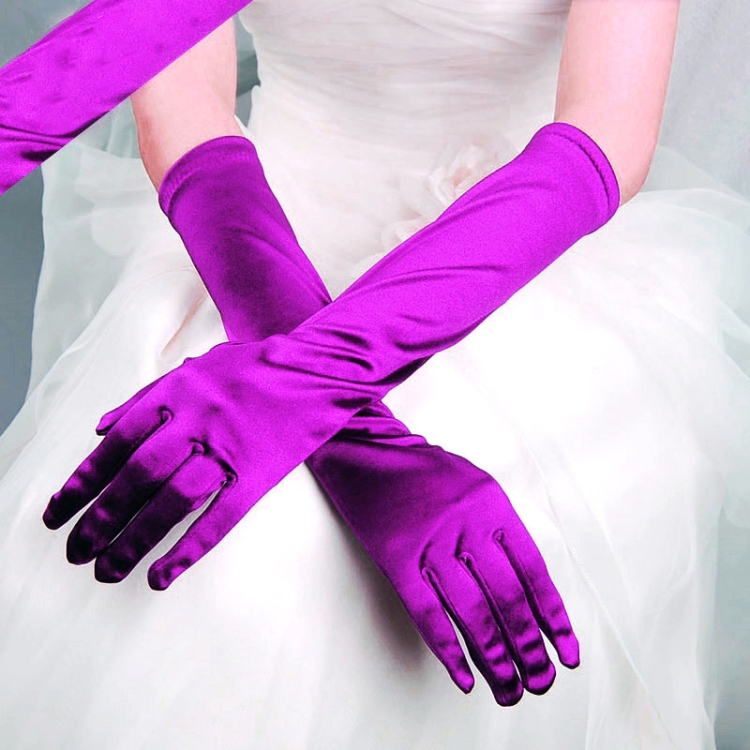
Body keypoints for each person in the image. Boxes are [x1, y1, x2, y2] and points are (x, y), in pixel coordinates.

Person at [1, 0, 749, 747]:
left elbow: (603, 137)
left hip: (518, 251)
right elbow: (180, 97)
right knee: (204, 579)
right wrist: (362, 442)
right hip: (249, 236)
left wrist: (302, 380)